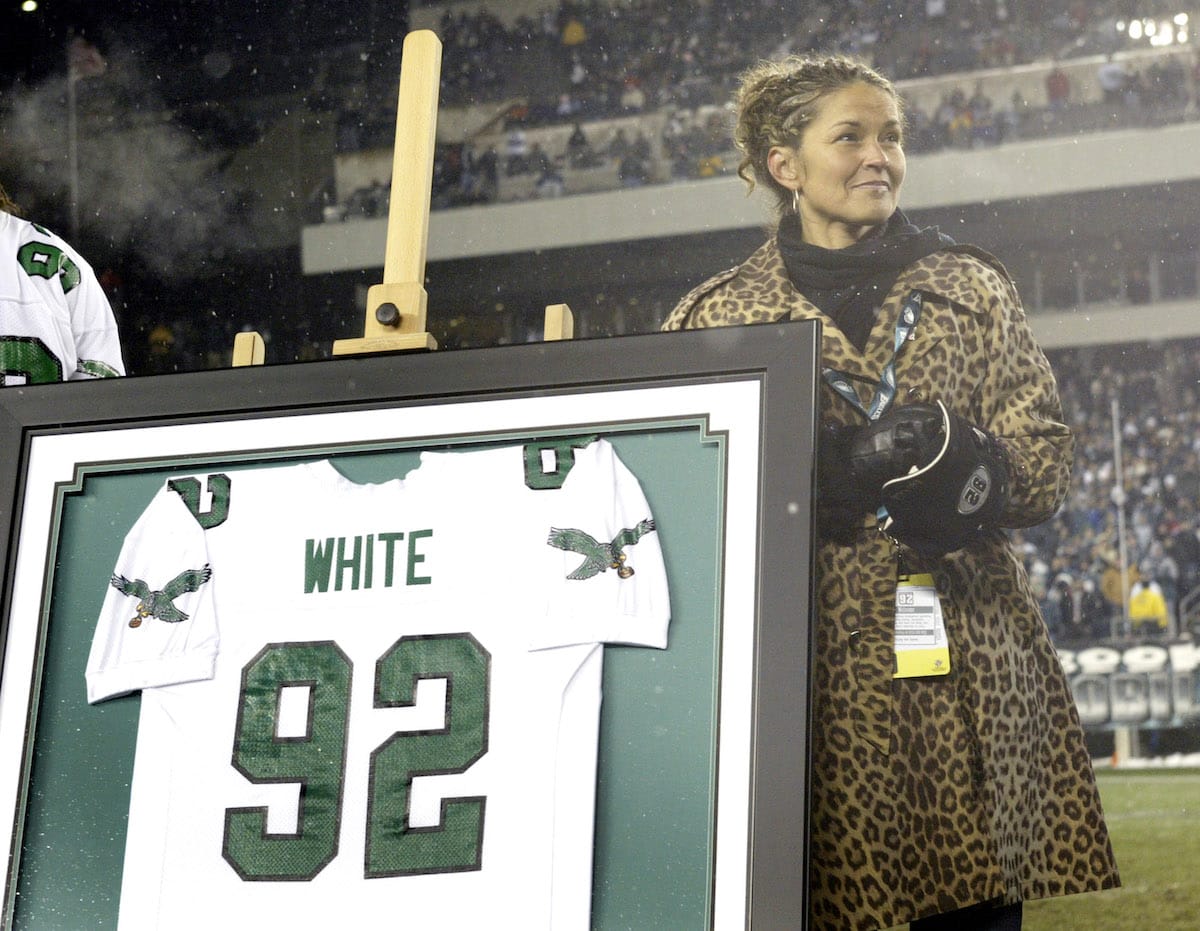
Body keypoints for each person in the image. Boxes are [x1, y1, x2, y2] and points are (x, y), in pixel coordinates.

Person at [661, 55, 1119, 930]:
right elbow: (692, 515)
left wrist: (972, 470)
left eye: (892, 137)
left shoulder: (973, 286)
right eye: (851, 137)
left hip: (972, 660)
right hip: (811, 683)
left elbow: (1048, 459)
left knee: (976, 908)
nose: (880, 156)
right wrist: (825, 479)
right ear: (783, 164)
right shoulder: (716, 317)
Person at [0, 182, 124, 384]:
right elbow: (104, 394)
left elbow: (105, 394)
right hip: (47, 414)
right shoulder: (59, 262)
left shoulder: (61, 264)